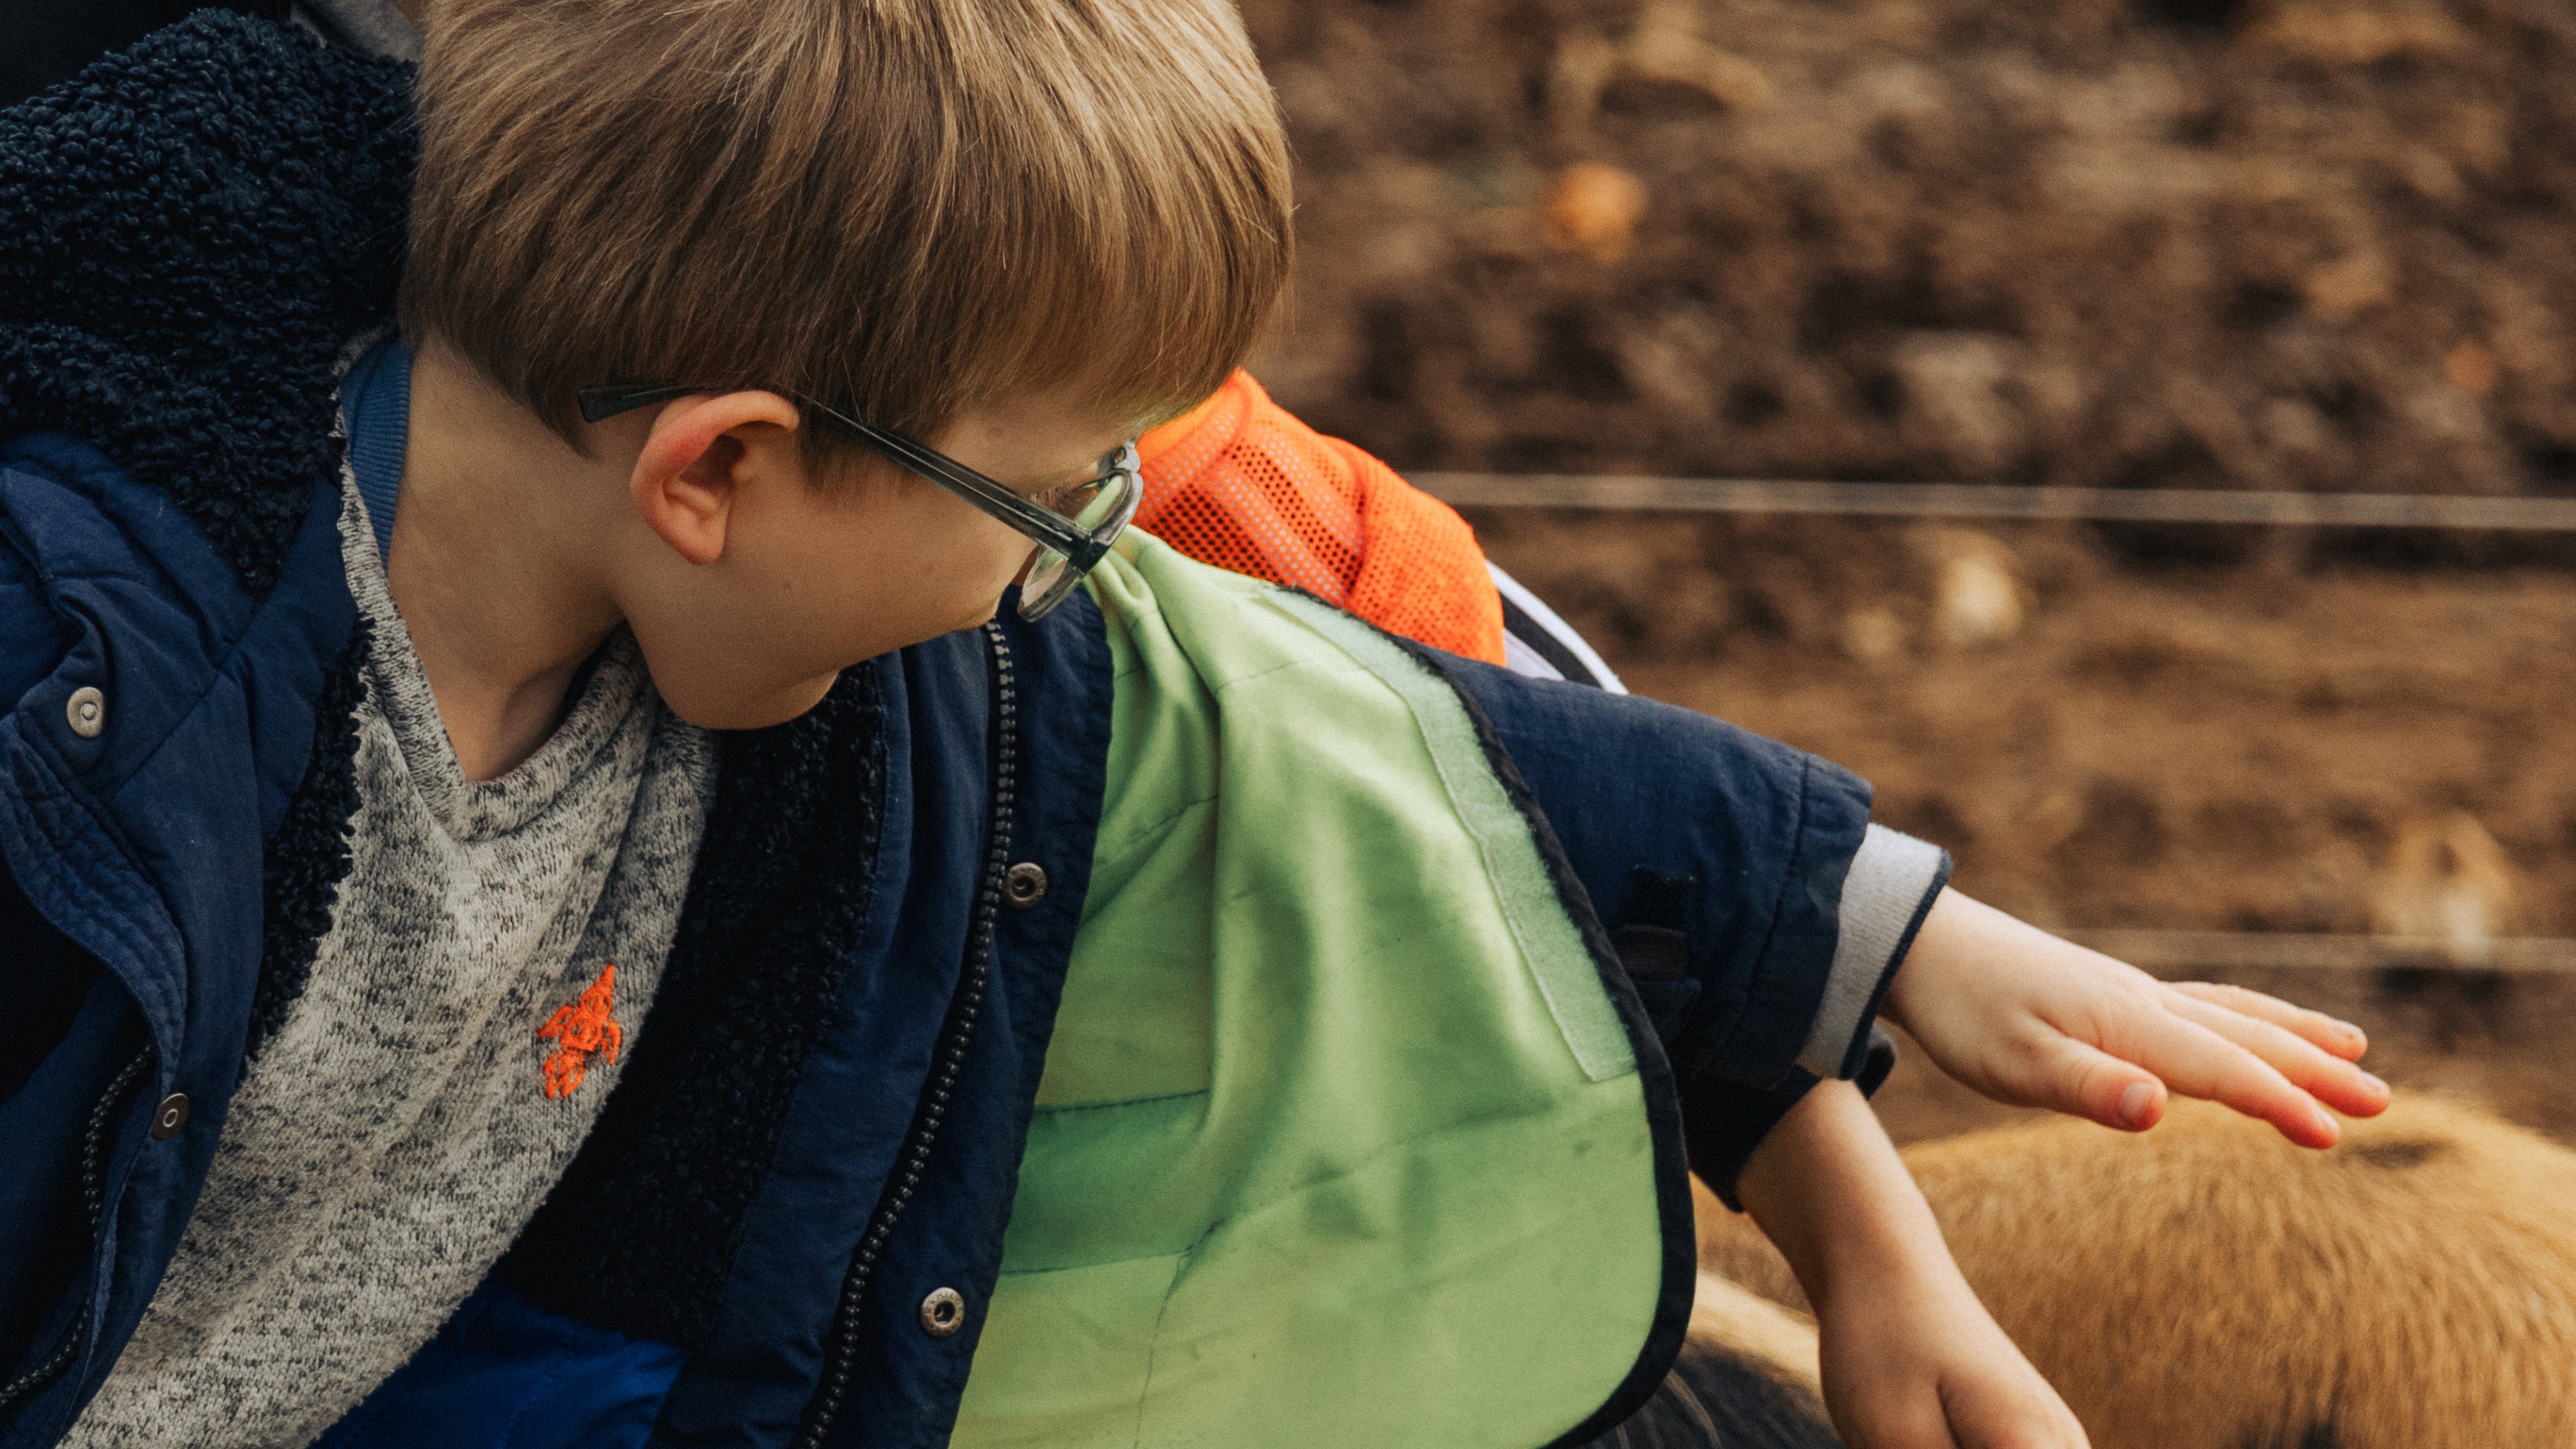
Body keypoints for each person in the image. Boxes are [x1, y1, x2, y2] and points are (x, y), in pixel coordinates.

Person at [0, 6, 2385, 1449]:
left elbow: (1340, 710)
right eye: (1056, 494)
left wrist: (1860, 944)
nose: (1102, 550)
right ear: (721, 466)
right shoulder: (86, 713)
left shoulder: (831, 626)